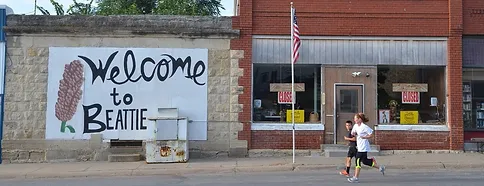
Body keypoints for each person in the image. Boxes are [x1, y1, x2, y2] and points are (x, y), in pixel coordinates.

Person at [348, 113, 385, 183]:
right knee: (365, 161)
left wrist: (365, 137)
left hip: (363, 147)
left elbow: (371, 134)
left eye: (356, 118)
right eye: (354, 118)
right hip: (359, 146)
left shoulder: (364, 127)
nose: (354, 120)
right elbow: (353, 133)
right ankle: (380, 168)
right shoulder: (355, 126)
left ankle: (355, 177)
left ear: (360, 119)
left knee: (357, 161)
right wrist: (354, 133)